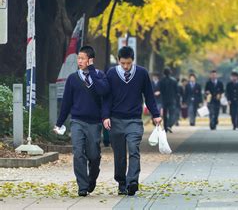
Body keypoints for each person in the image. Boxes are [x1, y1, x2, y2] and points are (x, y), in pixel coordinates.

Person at [102, 46, 161, 196]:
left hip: (134, 120)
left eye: (128, 63)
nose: (126, 66)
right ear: (118, 61)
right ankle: (122, 182)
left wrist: (155, 114)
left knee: (134, 149)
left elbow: (149, 96)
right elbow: (106, 97)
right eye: (123, 63)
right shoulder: (111, 74)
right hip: (116, 120)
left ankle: (133, 181)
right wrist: (105, 116)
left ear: (133, 60)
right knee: (120, 155)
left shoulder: (141, 73)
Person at [54, 46, 109, 197]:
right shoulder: (73, 78)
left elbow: (103, 92)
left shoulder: (99, 76)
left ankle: (92, 178)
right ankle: (82, 186)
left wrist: (91, 71)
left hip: (94, 123)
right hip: (77, 120)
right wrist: (59, 123)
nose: (79, 61)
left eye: (83, 58)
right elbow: (66, 103)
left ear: (90, 60)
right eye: (79, 58)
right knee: (78, 152)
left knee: (93, 155)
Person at [159, 68, 179, 133]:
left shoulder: (161, 81)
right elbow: (177, 91)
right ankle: (169, 125)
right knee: (172, 113)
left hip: (164, 99)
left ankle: (165, 127)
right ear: (170, 73)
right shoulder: (174, 81)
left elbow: (160, 90)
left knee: (164, 114)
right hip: (172, 99)